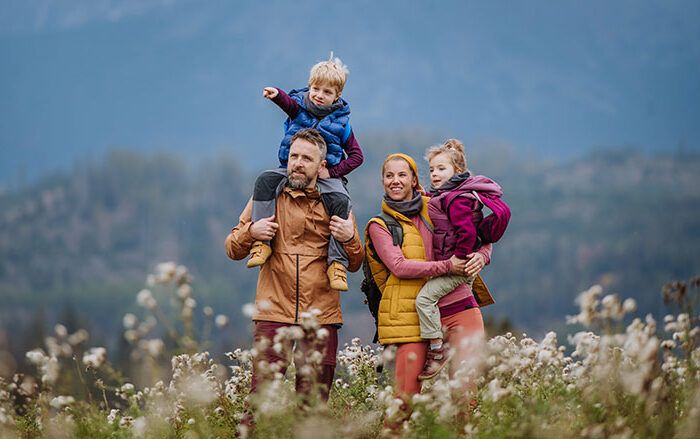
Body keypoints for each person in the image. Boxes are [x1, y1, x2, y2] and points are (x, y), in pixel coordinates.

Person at [225, 128, 364, 402]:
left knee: (312, 405)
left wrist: (349, 239)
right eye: (294, 156)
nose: (298, 163)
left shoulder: (337, 202)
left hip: (322, 315)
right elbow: (232, 248)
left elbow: (356, 263)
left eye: (306, 159)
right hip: (273, 311)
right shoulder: (266, 197)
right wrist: (251, 233)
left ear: (322, 166)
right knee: (261, 401)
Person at [364, 153, 492, 400]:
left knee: (466, 395)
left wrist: (483, 256)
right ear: (382, 181)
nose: (395, 181)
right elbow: (399, 267)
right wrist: (448, 266)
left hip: (459, 307)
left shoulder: (439, 203)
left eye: (403, 175)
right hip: (412, 319)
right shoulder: (379, 225)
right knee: (404, 400)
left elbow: (481, 233)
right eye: (389, 176)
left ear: (414, 180)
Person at [247, 54, 364, 292]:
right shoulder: (299, 106)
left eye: (326, 92)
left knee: (341, 200)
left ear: (337, 96)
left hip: (324, 176)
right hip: (290, 170)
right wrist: (276, 94)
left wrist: (332, 172)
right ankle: (262, 241)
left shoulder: (342, 123)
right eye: (315, 89)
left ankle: (337, 263)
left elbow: (356, 156)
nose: (319, 95)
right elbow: (287, 103)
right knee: (264, 181)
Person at [415, 139, 510, 380]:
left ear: (457, 171)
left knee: (424, 299)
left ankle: (437, 349)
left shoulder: (457, 199)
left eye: (441, 169)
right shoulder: (449, 195)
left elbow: (468, 231)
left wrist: (460, 259)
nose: (434, 174)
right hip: (457, 269)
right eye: (432, 169)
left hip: (457, 269)